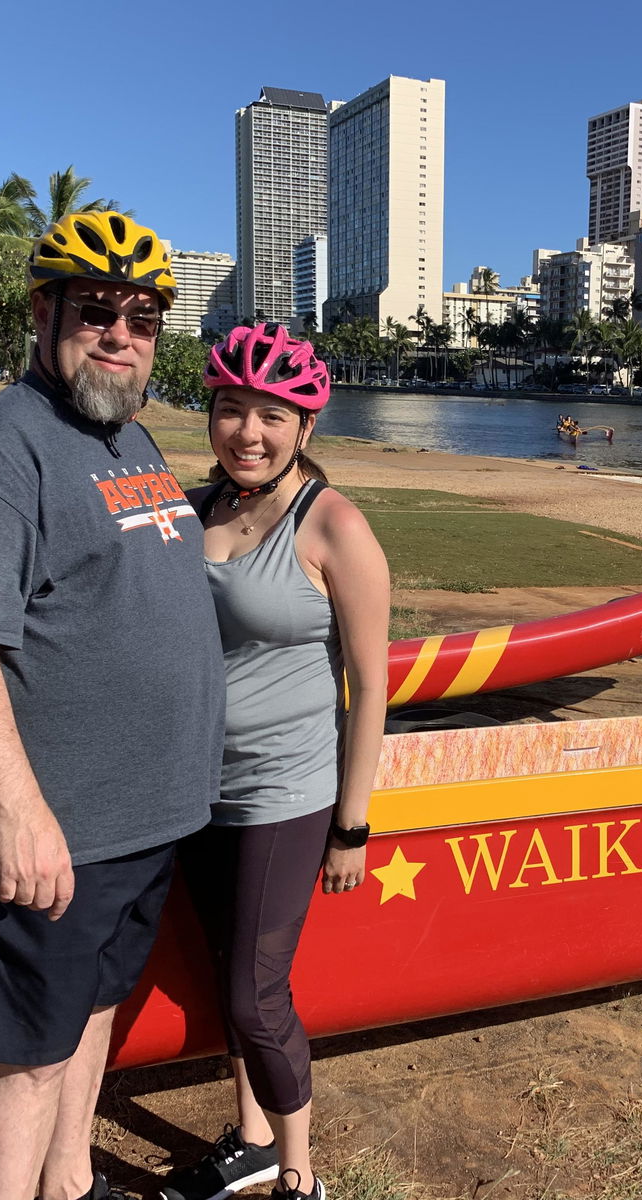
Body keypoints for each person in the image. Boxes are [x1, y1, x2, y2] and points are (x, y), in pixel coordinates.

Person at [0, 211, 224, 1200]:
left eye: (141, 316)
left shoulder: (129, 438)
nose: (121, 334)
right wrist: (17, 811)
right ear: (45, 314)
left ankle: (71, 1187)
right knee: (29, 1059)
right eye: (96, 311)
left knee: (91, 1020)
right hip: (53, 833)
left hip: (140, 822)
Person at [157, 324, 390, 1200]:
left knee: (257, 994)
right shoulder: (189, 510)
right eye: (229, 409)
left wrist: (352, 824)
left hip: (284, 792)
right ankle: (251, 1138)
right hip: (191, 787)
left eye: (270, 415)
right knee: (226, 972)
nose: (247, 432)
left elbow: (370, 686)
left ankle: (299, 1173)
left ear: (305, 427)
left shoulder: (334, 524)